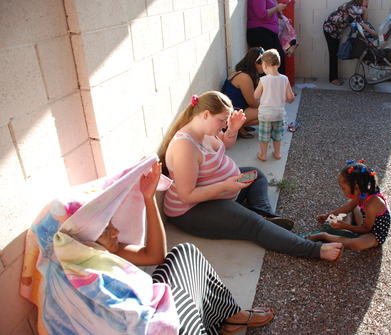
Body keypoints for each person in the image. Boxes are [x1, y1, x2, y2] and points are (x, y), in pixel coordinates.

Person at [21, 158, 274, 335]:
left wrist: (148, 197)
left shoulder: (85, 249)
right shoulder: (66, 277)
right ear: (83, 236)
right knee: (174, 299)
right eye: (106, 228)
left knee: (184, 253)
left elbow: (155, 255)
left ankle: (229, 316)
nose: (116, 231)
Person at [161, 91, 344, 262]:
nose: (224, 126)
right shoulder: (185, 146)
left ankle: (264, 214)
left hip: (219, 191)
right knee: (253, 225)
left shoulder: (207, 129)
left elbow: (224, 146)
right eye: (223, 121)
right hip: (191, 210)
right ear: (206, 114)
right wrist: (225, 185)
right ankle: (314, 249)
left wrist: (232, 129)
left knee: (256, 176)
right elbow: (187, 195)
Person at [301, 160, 391, 251]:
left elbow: (366, 228)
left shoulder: (372, 203)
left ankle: (324, 236)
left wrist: (345, 226)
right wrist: (328, 216)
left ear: (356, 187)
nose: (342, 191)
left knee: (356, 244)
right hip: (365, 221)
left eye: (343, 188)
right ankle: (346, 231)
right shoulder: (362, 192)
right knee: (350, 204)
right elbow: (348, 208)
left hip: (374, 233)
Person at [323, 0, 378, 86]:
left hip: (337, 31)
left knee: (335, 53)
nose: (368, 2)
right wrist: (377, 35)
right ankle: (333, 78)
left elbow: (364, 20)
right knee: (333, 53)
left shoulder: (358, 8)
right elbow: (362, 24)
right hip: (330, 29)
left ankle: (334, 77)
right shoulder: (353, 8)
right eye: (366, 0)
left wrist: (365, 11)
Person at [254, 49, 295, 162]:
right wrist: (287, 99)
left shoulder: (263, 80)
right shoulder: (284, 79)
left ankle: (263, 154)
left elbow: (256, 95)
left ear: (265, 65)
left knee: (264, 137)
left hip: (265, 115)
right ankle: (277, 153)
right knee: (277, 136)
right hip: (279, 114)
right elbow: (290, 96)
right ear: (279, 64)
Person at [222, 47, 264, 139]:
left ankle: (241, 126)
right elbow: (252, 103)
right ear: (256, 63)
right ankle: (237, 127)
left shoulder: (246, 72)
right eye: (264, 64)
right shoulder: (244, 77)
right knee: (270, 113)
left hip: (239, 109)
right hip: (233, 114)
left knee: (269, 110)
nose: (265, 67)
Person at [247, 0, 288, 75]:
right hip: (261, 32)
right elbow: (262, 14)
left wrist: (278, 11)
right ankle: (270, 85)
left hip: (268, 31)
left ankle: (278, 85)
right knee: (269, 63)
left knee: (278, 60)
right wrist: (276, 9)